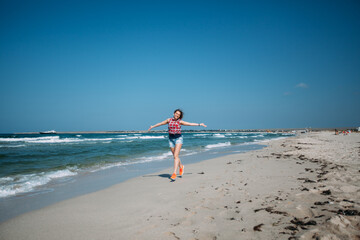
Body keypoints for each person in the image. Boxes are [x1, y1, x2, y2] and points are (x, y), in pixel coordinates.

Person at [148, 109, 207, 180]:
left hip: (178, 138)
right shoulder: (168, 120)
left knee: (176, 156)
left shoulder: (180, 122)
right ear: (174, 113)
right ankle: (181, 166)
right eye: (176, 113)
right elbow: (161, 123)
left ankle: (174, 173)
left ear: (179, 116)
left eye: (178, 114)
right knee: (175, 156)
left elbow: (189, 123)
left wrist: (199, 124)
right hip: (171, 139)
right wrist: (152, 126)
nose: (177, 115)